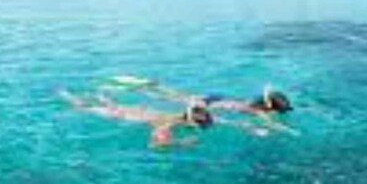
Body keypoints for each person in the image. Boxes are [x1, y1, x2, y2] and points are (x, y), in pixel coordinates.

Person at [127, 82, 297, 136]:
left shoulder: (255, 103)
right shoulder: (259, 111)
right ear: (271, 108)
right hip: (210, 104)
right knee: (178, 98)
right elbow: (272, 125)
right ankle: (149, 89)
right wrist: (289, 131)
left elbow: (267, 94)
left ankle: (153, 87)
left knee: (179, 96)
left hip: (218, 99)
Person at [59, 90, 213, 148]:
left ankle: (101, 97)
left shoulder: (177, 117)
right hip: (122, 115)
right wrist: (181, 143)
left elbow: (194, 107)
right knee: (83, 107)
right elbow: (154, 144)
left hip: (131, 110)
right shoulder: (171, 123)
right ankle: (65, 95)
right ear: (192, 123)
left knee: (95, 104)